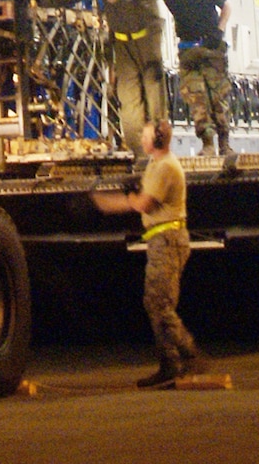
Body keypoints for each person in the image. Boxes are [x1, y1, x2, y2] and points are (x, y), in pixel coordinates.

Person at [31, 0, 167, 149]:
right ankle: (139, 153)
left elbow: (154, 20)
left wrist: (153, 56)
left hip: (145, 44)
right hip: (122, 46)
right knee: (129, 101)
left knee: (154, 98)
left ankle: (160, 148)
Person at [92, 118, 200, 387]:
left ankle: (186, 353)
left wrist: (113, 202)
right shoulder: (155, 165)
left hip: (168, 241)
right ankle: (172, 362)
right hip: (160, 240)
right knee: (157, 304)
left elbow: (145, 203)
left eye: (147, 136)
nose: (142, 140)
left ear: (159, 140)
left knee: (159, 304)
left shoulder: (165, 167)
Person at [156, 0, 232, 156]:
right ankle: (207, 143)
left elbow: (226, 6)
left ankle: (224, 143)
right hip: (188, 50)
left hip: (211, 48)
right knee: (196, 98)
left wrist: (219, 30)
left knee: (218, 97)